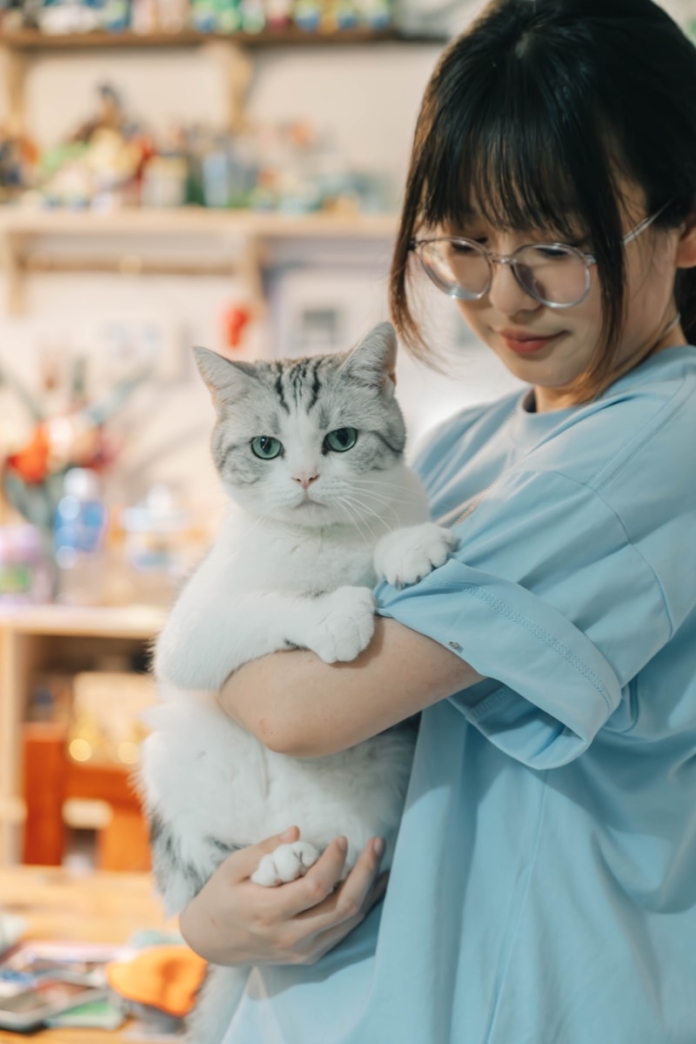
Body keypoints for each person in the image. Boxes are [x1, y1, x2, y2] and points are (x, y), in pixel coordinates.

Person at [178, 1, 696, 1040]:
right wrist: (213, 921)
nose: (504, 293)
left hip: (507, 1000)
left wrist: (217, 638)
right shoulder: (465, 449)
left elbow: (298, 711)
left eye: (555, 242)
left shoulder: (659, 442)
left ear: (686, 226)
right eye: (466, 240)